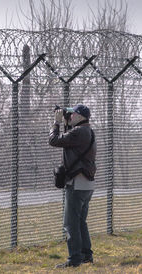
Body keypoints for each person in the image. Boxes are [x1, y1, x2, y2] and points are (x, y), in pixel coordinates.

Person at [50, 104, 96, 268]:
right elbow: (69, 136)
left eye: (73, 113)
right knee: (80, 222)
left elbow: (54, 140)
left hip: (77, 184)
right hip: (86, 183)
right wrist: (65, 121)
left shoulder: (79, 132)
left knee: (70, 223)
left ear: (81, 116)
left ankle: (74, 259)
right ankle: (86, 255)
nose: (71, 116)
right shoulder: (86, 131)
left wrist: (56, 123)